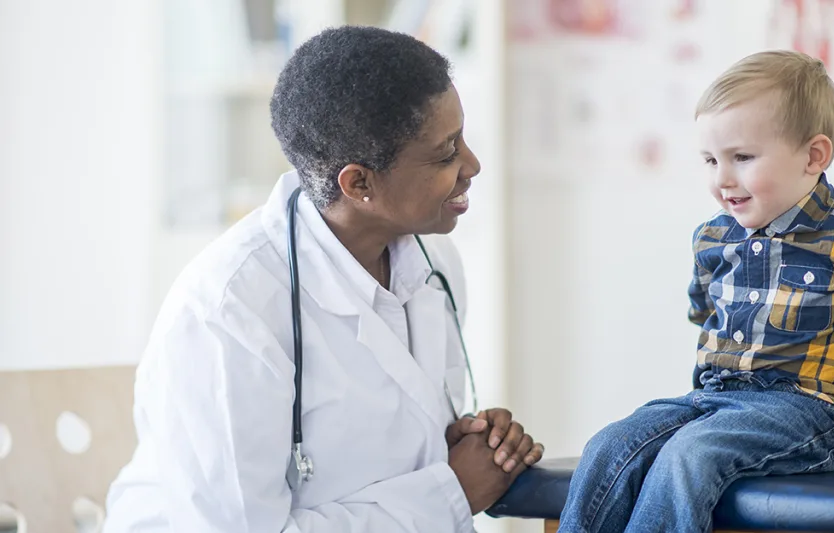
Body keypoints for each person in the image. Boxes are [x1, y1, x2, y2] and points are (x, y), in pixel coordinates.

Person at [103, 26, 543, 532]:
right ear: (359, 183)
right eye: (445, 153)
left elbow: (399, 452)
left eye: (462, 138)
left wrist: (469, 444)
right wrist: (451, 491)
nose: (473, 165)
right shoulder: (228, 313)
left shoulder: (434, 264)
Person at [558, 50, 834, 532]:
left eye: (742, 157)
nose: (722, 179)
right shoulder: (714, 237)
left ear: (813, 156)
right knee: (609, 446)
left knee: (690, 455)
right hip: (716, 399)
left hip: (815, 412)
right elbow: (706, 313)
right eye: (710, 160)